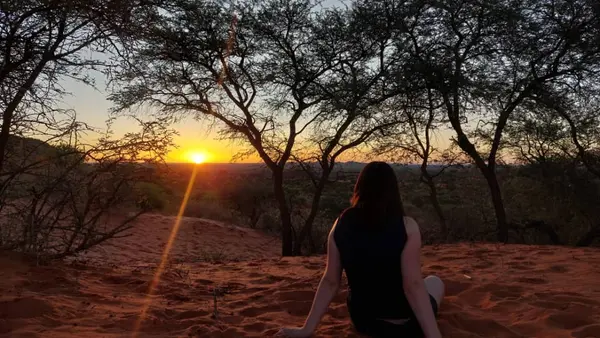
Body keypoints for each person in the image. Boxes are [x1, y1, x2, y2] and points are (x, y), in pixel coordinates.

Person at [277, 162, 444, 338]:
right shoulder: (407, 226)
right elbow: (413, 285)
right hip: (405, 325)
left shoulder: (340, 224)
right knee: (434, 281)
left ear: (359, 187)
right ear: (393, 190)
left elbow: (330, 281)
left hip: (365, 322)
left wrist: (307, 329)